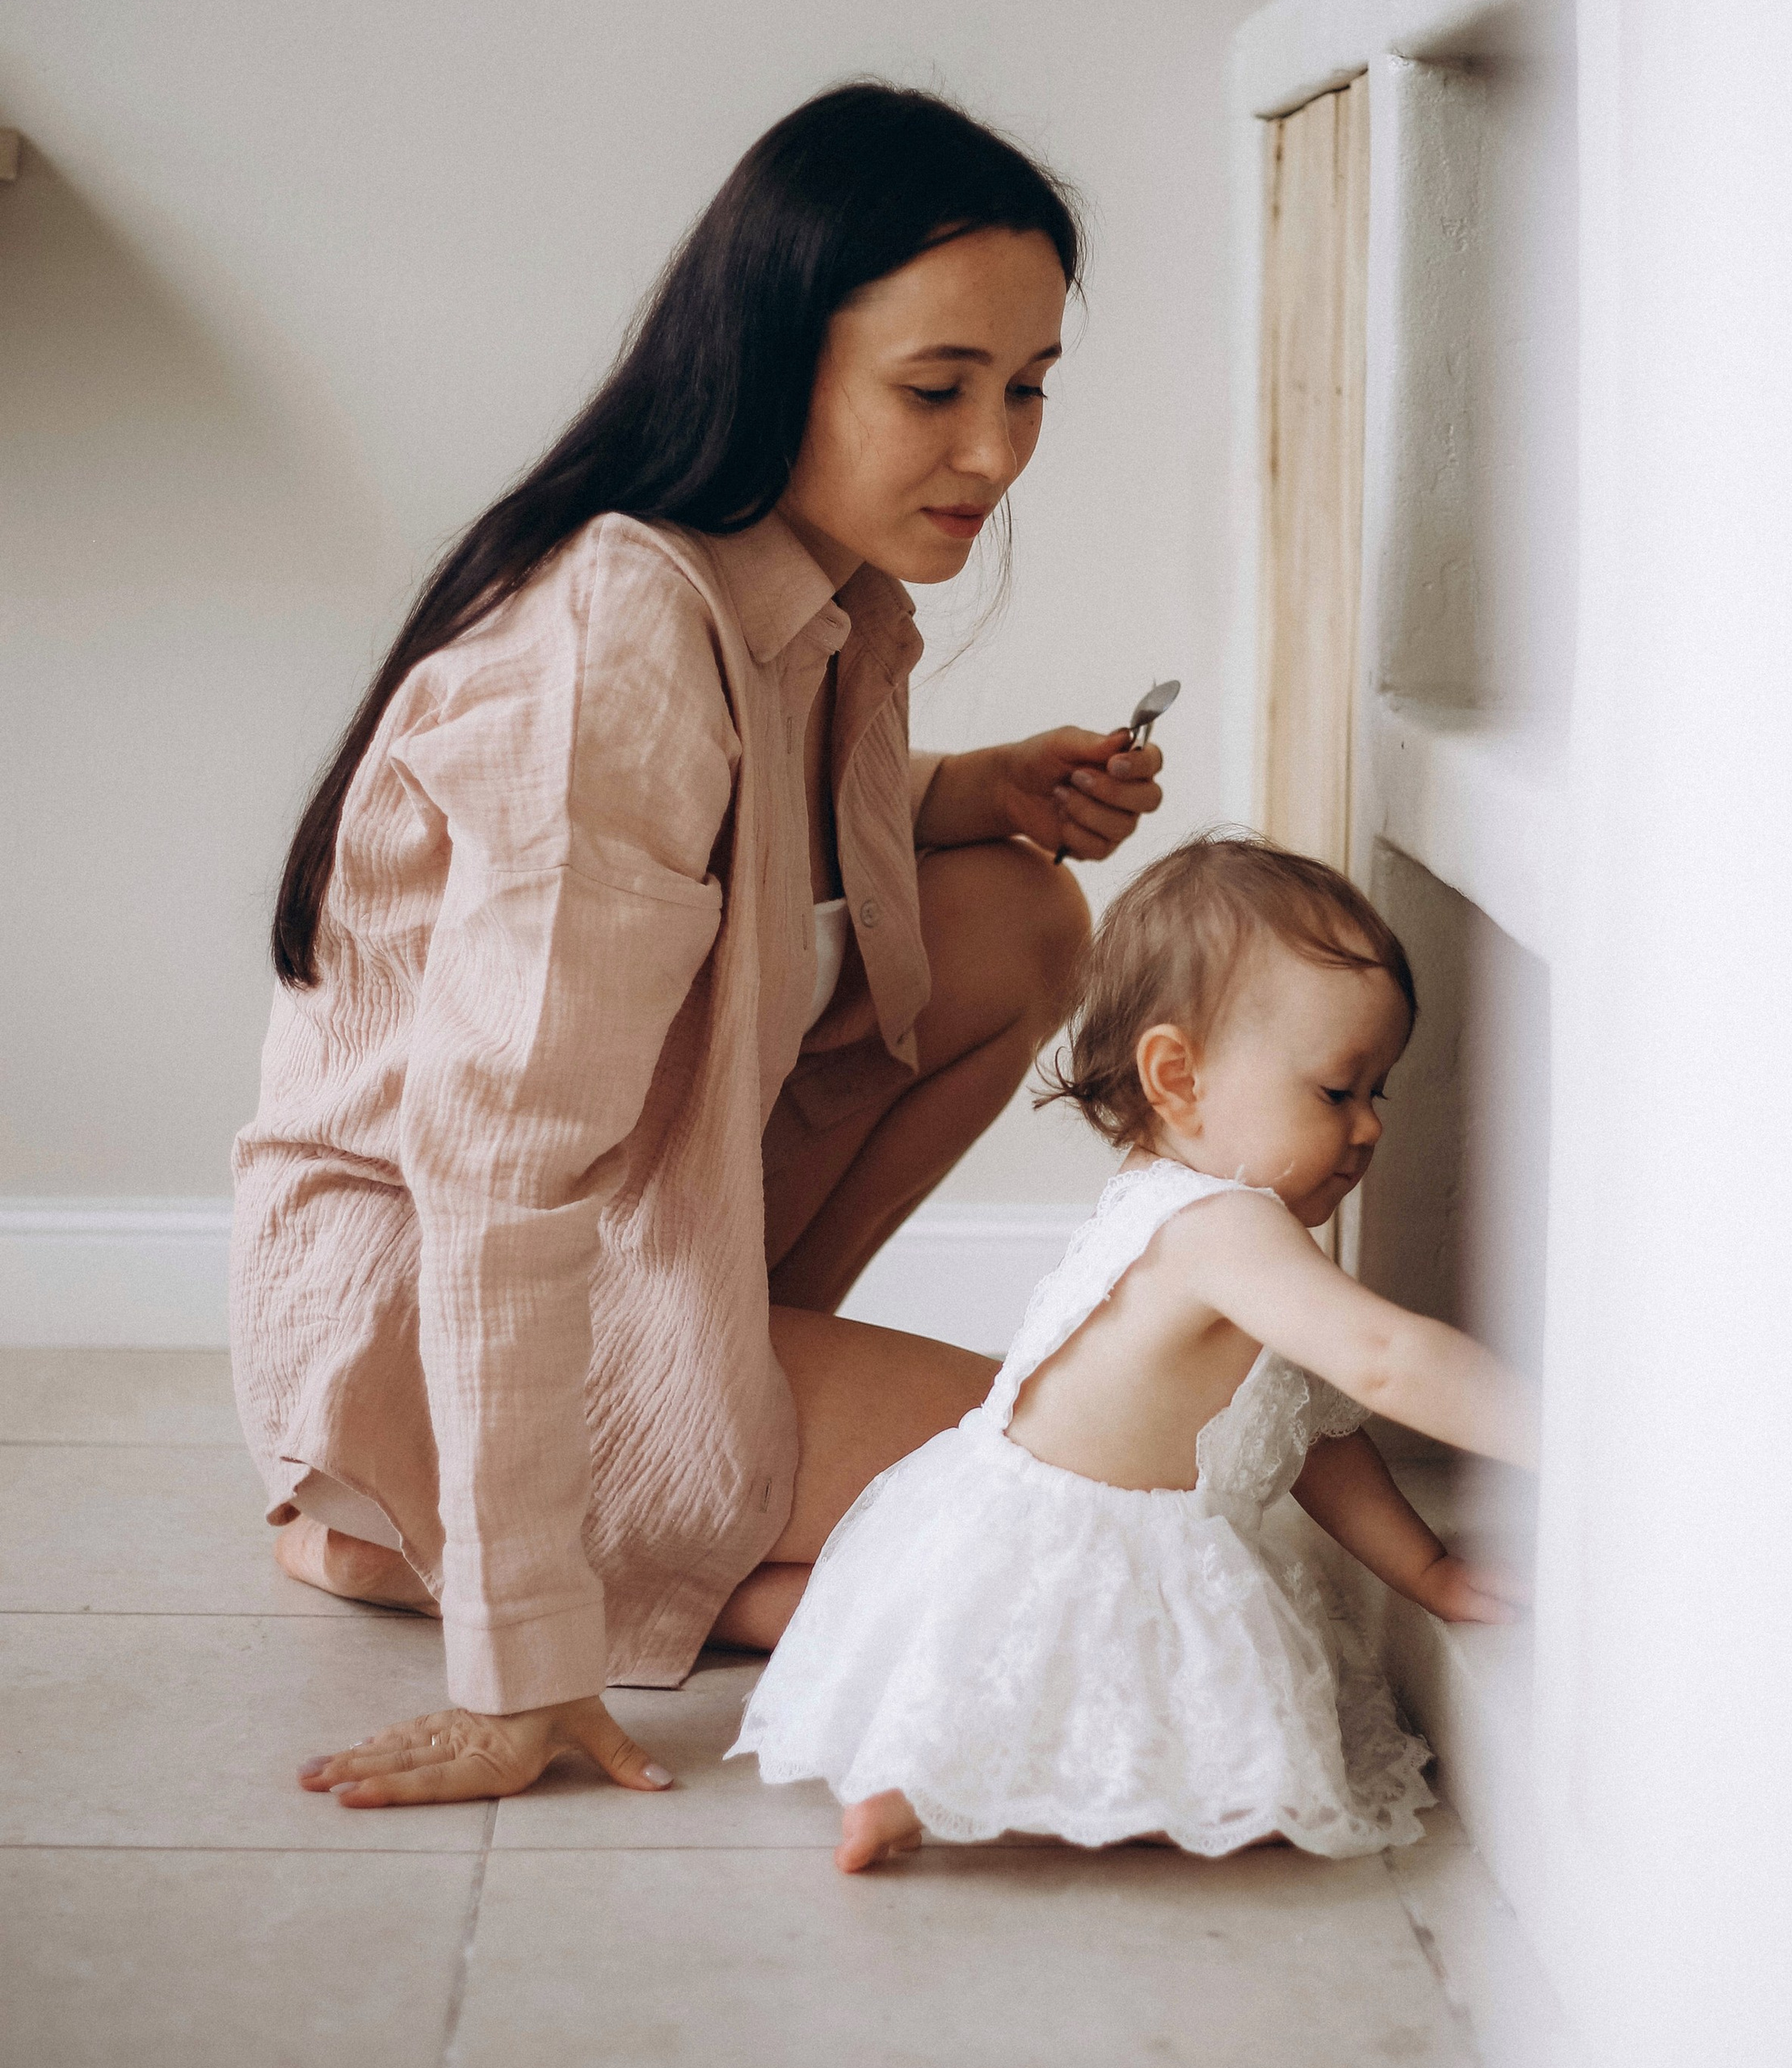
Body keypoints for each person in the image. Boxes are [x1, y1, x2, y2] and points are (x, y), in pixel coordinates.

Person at [266, 83, 1169, 1810]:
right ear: (772, 359)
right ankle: (464, 1522)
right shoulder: (620, 631)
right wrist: (520, 1665)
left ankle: (717, 1445)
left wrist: (969, 785)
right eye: (935, 389)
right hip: (429, 1322)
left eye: (1029, 385)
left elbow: (733, 822)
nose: (995, 451)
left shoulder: (794, 592)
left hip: (632, 1249)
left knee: (1009, 908)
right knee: (1109, 1481)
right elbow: (501, 1167)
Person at [727, 832, 1537, 1870]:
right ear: (1178, 1075)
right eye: (1338, 1091)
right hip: (1091, 1543)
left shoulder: (1182, 1199)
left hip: (1003, 1513)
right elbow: (1379, 1357)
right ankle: (927, 1781)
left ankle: (905, 1780)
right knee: (1222, 1772)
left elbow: (1311, 1432)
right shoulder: (1226, 1228)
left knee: (1012, 1670)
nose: (1371, 1126)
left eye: (1381, 1090)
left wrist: (1425, 1568)